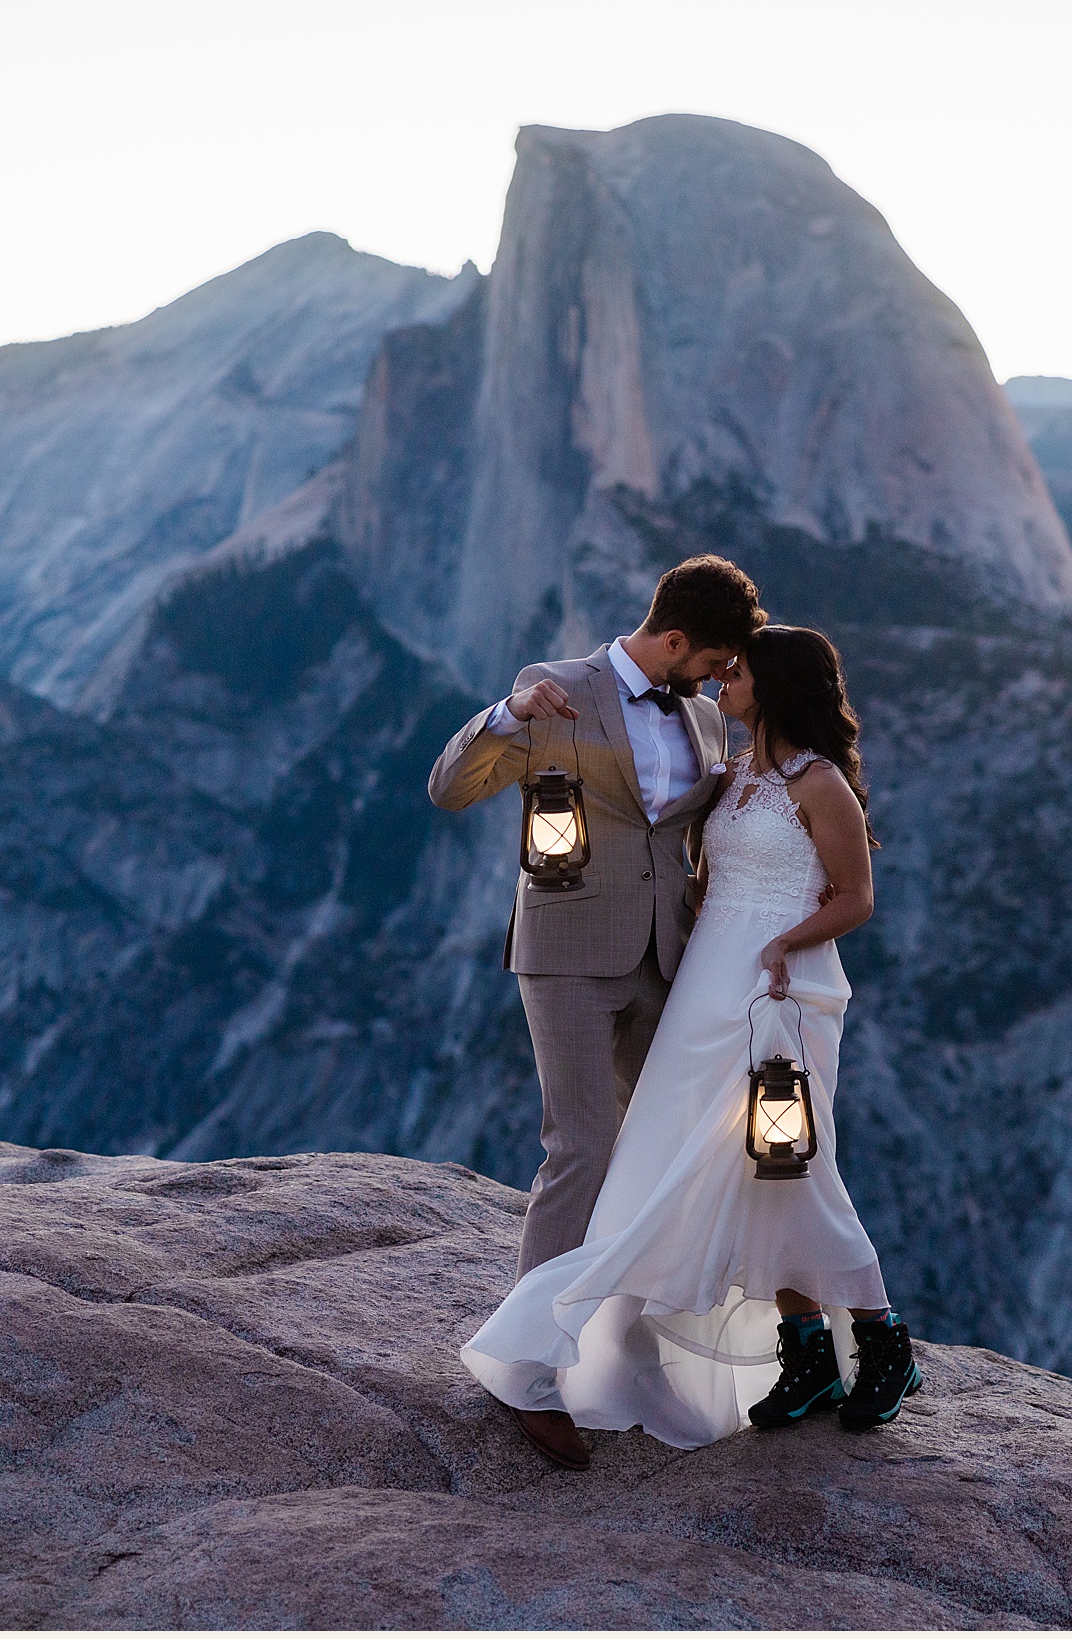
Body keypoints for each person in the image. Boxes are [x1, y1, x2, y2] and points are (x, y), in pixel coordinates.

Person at [460, 624, 920, 1455]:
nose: (720, 686)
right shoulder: (734, 773)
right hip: (705, 984)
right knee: (723, 1164)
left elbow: (856, 896)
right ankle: (807, 1352)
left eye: (735, 675)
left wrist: (784, 944)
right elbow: (673, 849)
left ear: (770, 689)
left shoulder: (821, 785)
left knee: (793, 1163)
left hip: (782, 988)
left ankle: (883, 1340)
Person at [426, 555, 766, 1469]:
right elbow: (450, 789)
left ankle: (626, 1347)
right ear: (677, 639)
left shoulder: (701, 719)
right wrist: (502, 719)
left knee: (667, 1150)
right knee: (581, 1146)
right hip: (569, 955)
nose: (719, 681)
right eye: (715, 662)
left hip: (669, 962)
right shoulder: (554, 690)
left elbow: (687, 832)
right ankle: (528, 1371)